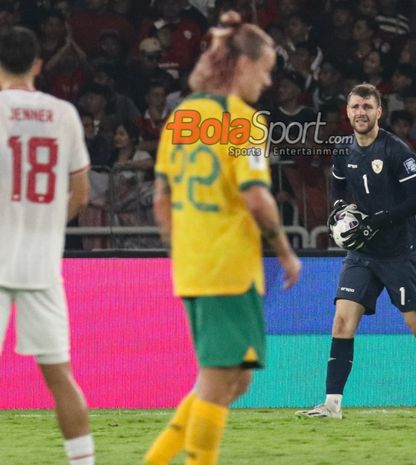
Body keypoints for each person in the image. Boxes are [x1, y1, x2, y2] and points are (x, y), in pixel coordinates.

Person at [144, 11, 301, 465]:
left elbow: (161, 198)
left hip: (195, 265)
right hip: (228, 267)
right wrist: (286, 253)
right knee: (218, 381)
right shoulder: (243, 121)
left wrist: (183, 251)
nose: (267, 81)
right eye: (266, 69)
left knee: (235, 380)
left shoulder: (181, 116)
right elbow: (256, 198)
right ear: (243, 65)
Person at [295, 83, 416, 420]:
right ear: (347, 112)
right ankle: (332, 405)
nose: (361, 113)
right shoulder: (343, 150)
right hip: (362, 253)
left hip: (398, 253)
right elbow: (339, 185)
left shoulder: (396, 151)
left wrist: (376, 221)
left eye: (367, 107)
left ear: (379, 112)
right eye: (355, 107)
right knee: (342, 321)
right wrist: (339, 209)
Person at [0, 26, 94, 465]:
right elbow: (80, 194)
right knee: (60, 377)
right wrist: (44, 229)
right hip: (41, 263)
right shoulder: (64, 114)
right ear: (39, 64)